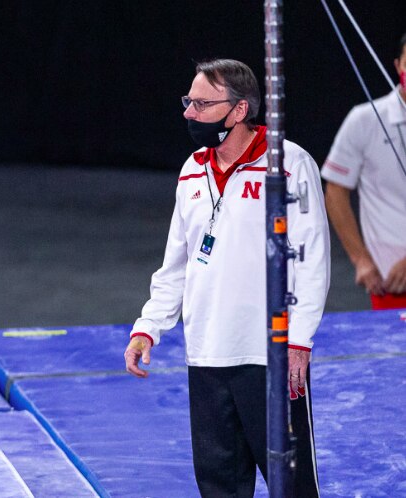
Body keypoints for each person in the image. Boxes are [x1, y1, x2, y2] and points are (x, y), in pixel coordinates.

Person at [123, 59, 329, 497]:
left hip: (268, 353)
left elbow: (312, 261)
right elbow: (176, 263)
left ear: (238, 111)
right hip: (207, 355)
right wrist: (149, 327)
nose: (188, 113)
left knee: (291, 485)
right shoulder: (191, 170)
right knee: (219, 487)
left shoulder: (289, 165)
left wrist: (300, 340)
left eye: (200, 103)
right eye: (188, 101)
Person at [322, 33, 406, 310]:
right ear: (397, 65)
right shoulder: (366, 119)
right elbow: (335, 191)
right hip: (393, 282)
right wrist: (361, 260)